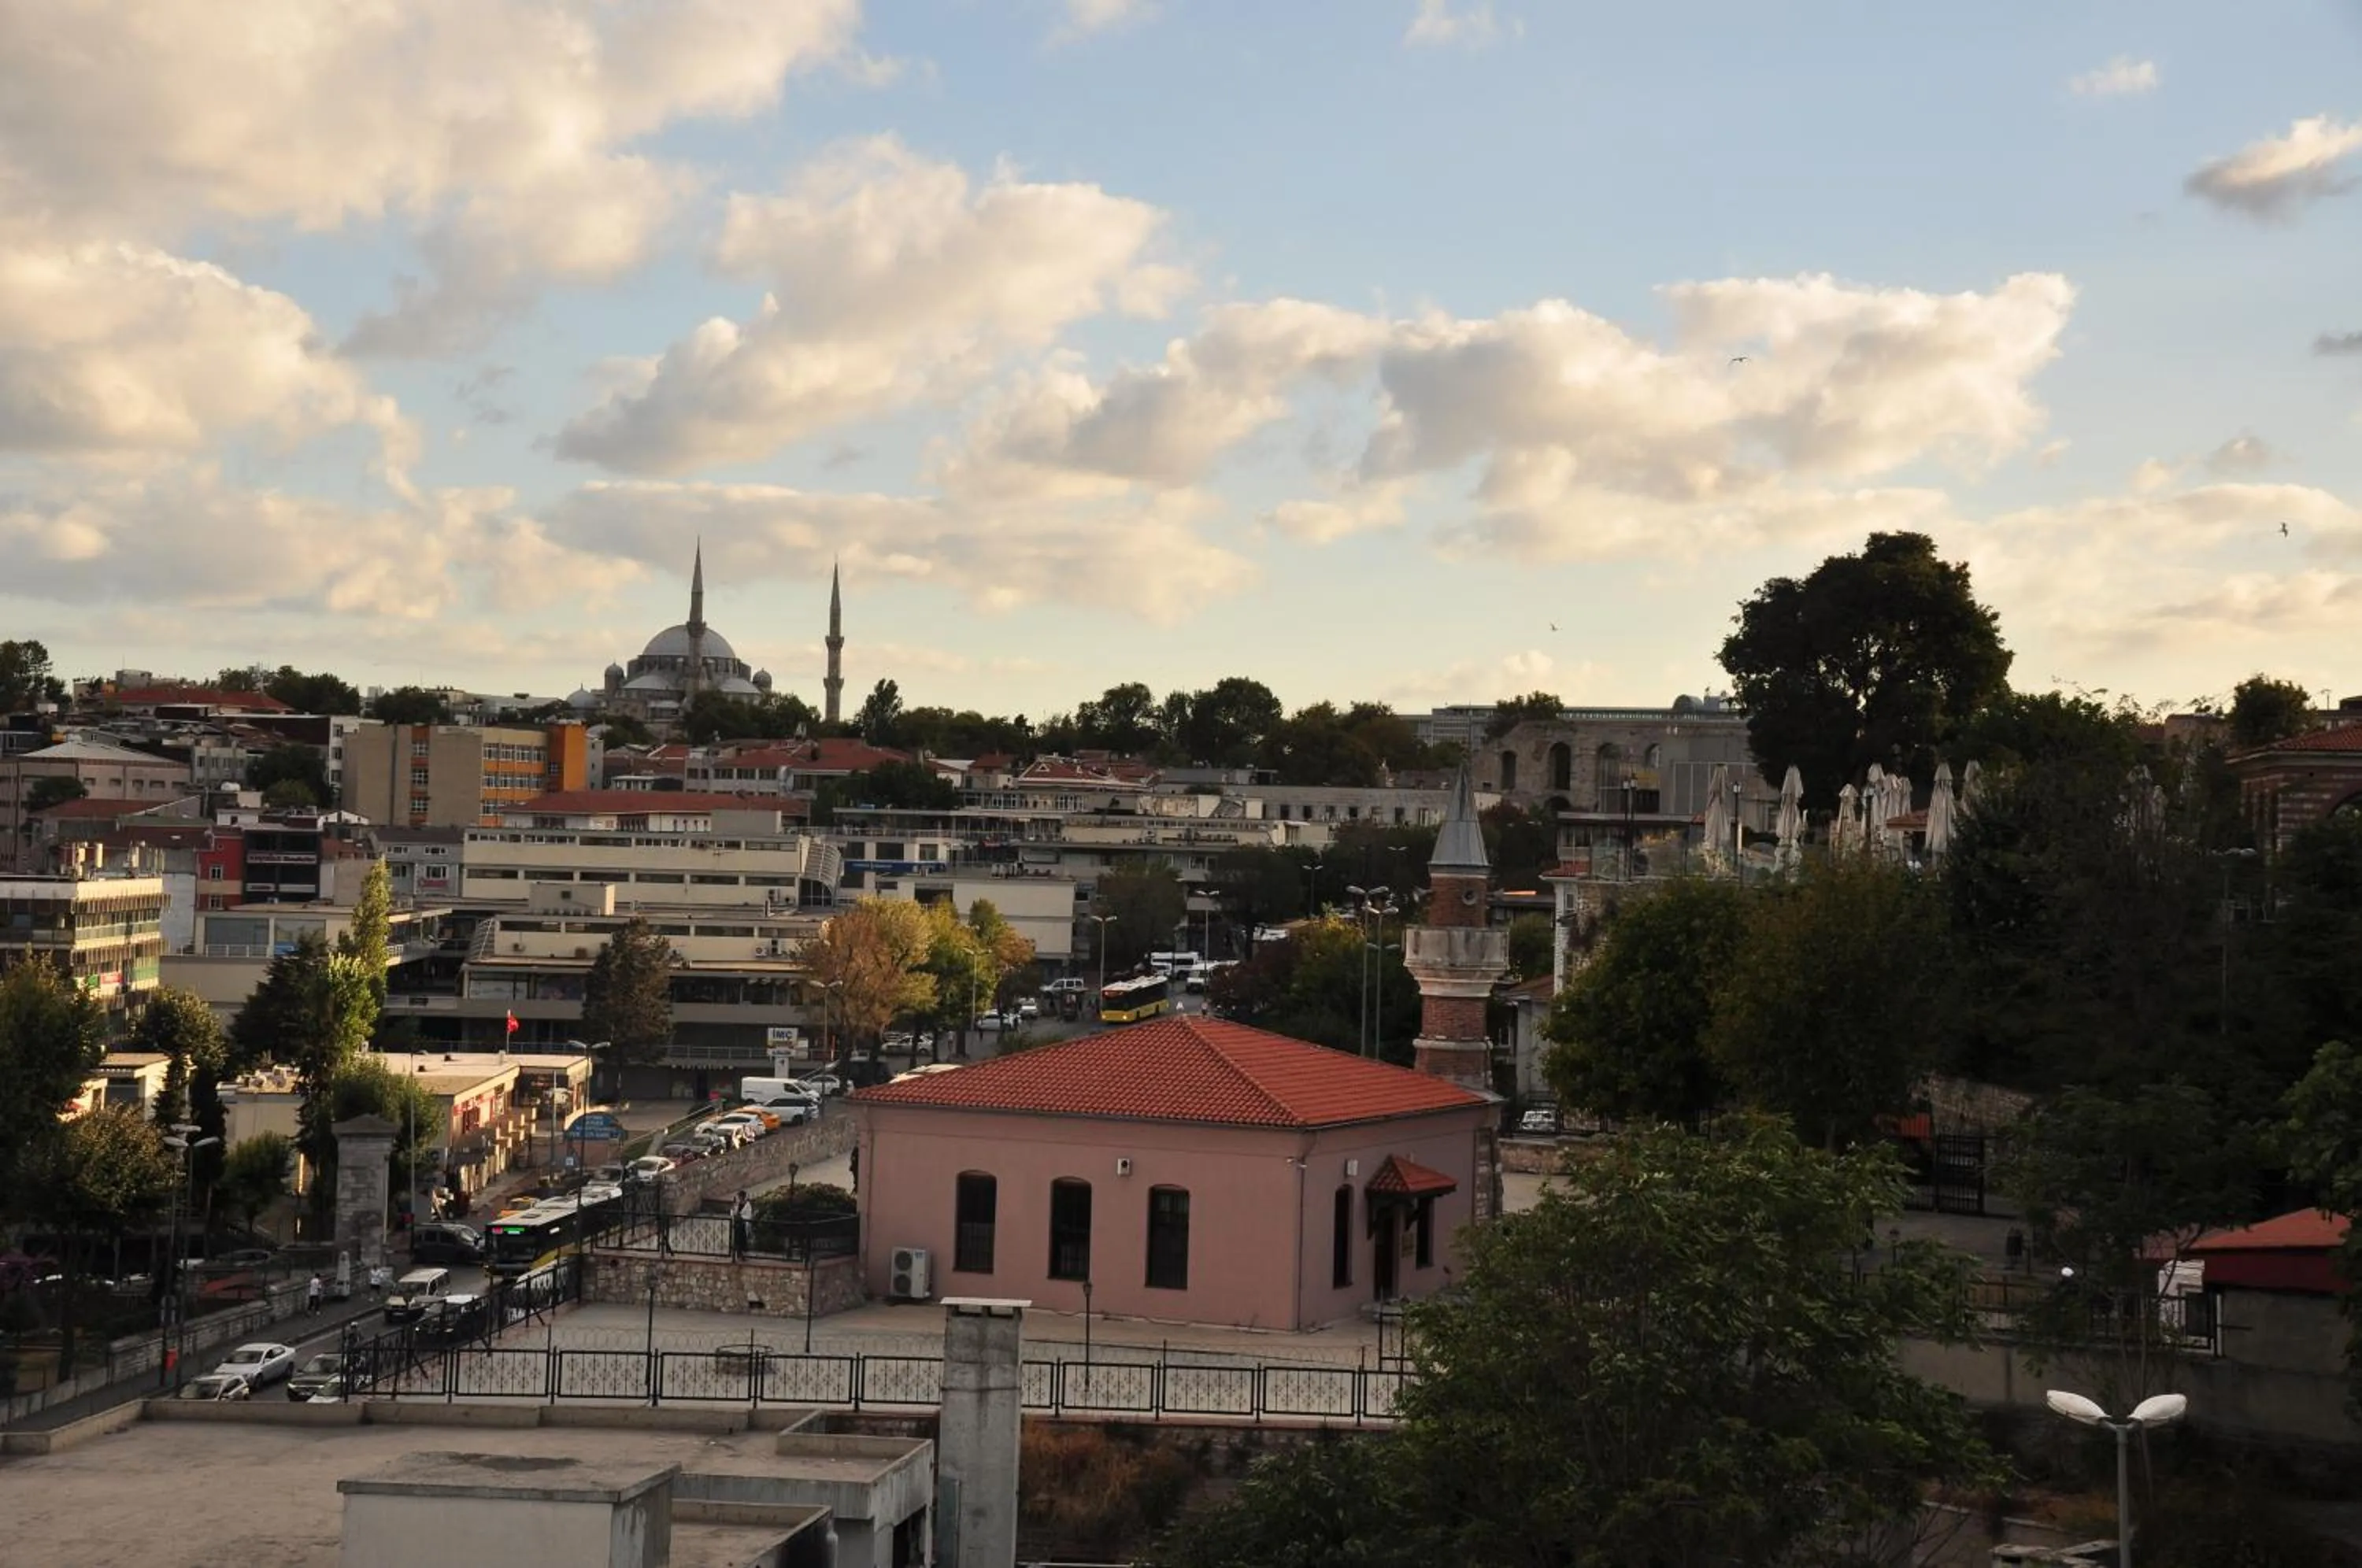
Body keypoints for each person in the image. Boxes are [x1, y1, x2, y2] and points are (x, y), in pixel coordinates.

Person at [731, 1190, 752, 1261]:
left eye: (741, 1196)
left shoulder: (748, 1205)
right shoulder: (738, 1204)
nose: (740, 1198)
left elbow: (749, 1215)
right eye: (739, 1197)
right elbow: (733, 1213)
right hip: (737, 1225)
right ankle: (736, 1254)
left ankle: (741, 1254)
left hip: (743, 1225)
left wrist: (741, 1217)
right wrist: (733, 1209)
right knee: (736, 1239)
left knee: (742, 1240)